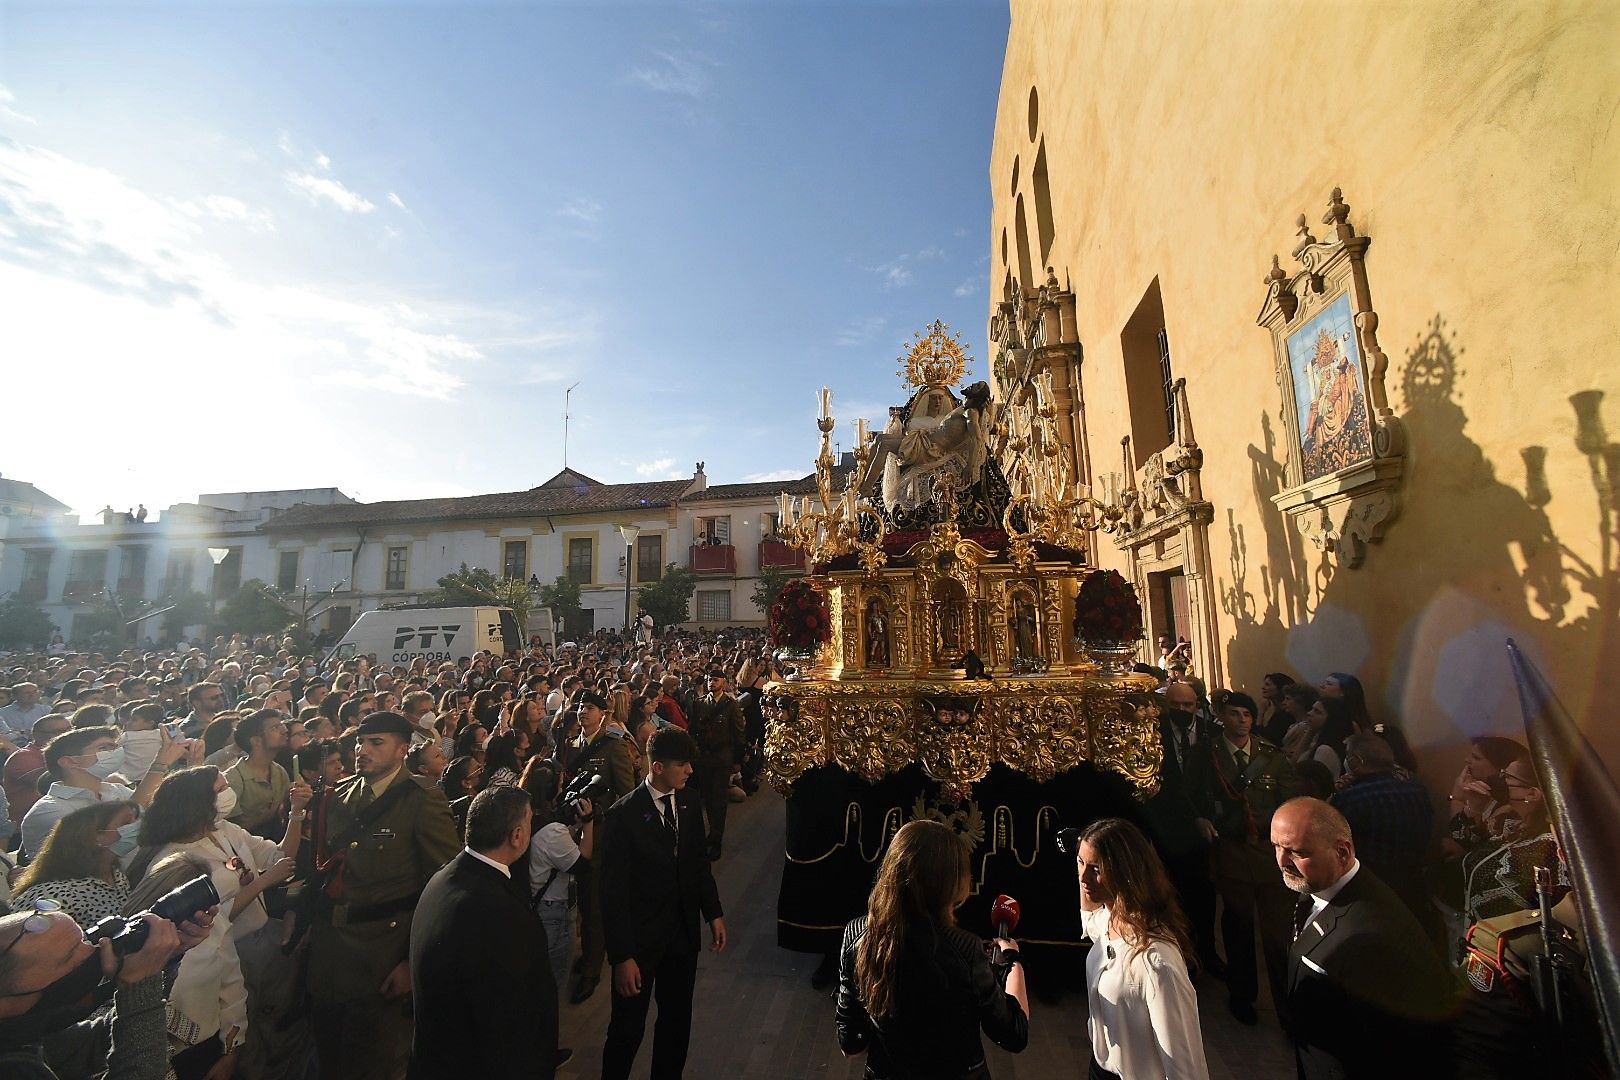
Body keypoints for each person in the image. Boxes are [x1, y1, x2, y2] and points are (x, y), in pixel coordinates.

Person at [303, 712, 460, 1080]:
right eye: (360, 742)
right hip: (330, 955)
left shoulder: (422, 801)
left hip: (382, 958)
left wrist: (411, 960)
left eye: (376, 743)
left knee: (373, 1066)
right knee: (330, 1061)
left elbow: (442, 888)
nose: (362, 750)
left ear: (402, 750)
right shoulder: (340, 796)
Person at [1270, 798, 1455, 1078]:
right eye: (1276, 846)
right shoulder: (1321, 887)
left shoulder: (1370, 938)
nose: (1282, 862)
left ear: (1342, 852)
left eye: (1297, 852)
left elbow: (1388, 1048)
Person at [835, 818, 1028, 1079]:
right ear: (952, 884)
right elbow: (1014, 1034)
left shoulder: (856, 936)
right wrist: (1012, 962)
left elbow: (851, 1044)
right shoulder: (967, 949)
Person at [599, 727, 726, 1080]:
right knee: (627, 1030)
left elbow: (697, 864)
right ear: (657, 767)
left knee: (675, 1023)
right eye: (682, 765)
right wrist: (622, 957)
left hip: (681, 938)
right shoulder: (622, 817)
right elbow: (612, 895)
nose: (690, 771)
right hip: (639, 946)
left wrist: (712, 912)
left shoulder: (688, 802)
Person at [408, 787, 559, 1080]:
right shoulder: (499, 911)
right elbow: (511, 1016)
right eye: (529, 821)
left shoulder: (445, 877)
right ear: (516, 835)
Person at [1184, 690, 1300, 1025]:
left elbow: (1289, 798)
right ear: (1223, 717)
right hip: (1230, 848)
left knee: (1278, 933)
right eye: (1235, 714)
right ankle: (1242, 995)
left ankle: (1286, 1005)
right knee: (1238, 925)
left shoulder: (1271, 756)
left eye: (1248, 715)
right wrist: (1200, 819)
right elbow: (1191, 794)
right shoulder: (1206, 754)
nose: (1243, 720)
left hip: (1268, 850)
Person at [0, 898, 206, 1080]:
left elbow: (94, 1044)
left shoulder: (22, 1028)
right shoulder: (13, 1070)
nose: (95, 951)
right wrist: (141, 984)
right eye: (71, 957)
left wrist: (157, 959)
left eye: (84, 939)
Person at [1073, 818, 1209, 1080]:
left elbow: (1184, 1066)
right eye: (1080, 863)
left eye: (1096, 869)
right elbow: (1089, 921)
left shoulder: (1157, 962)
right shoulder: (1110, 919)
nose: (1083, 877)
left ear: (1125, 871)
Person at [519, 757, 594, 1009]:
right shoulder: (553, 832)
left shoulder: (522, 819)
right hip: (553, 908)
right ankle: (546, 1044)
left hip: (529, 901)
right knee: (552, 982)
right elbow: (582, 863)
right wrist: (588, 824)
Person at [12, 802, 137, 930]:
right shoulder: (51, 894)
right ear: (96, 837)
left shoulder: (116, 877)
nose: (136, 826)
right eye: (127, 822)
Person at [686, 672, 745, 862]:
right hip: (703, 757)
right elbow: (693, 730)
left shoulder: (731, 705)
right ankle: (709, 833)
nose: (712, 683)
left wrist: (737, 760)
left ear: (723, 682)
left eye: (716, 680)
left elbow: (738, 734)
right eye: (710, 679)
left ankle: (716, 838)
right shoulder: (699, 703)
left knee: (718, 799)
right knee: (707, 797)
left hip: (722, 757)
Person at [222, 709, 292, 838]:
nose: (285, 730)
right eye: (275, 728)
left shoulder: (279, 771)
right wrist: (266, 816)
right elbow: (231, 831)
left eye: (282, 725)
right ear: (256, 741)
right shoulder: (233, 779)